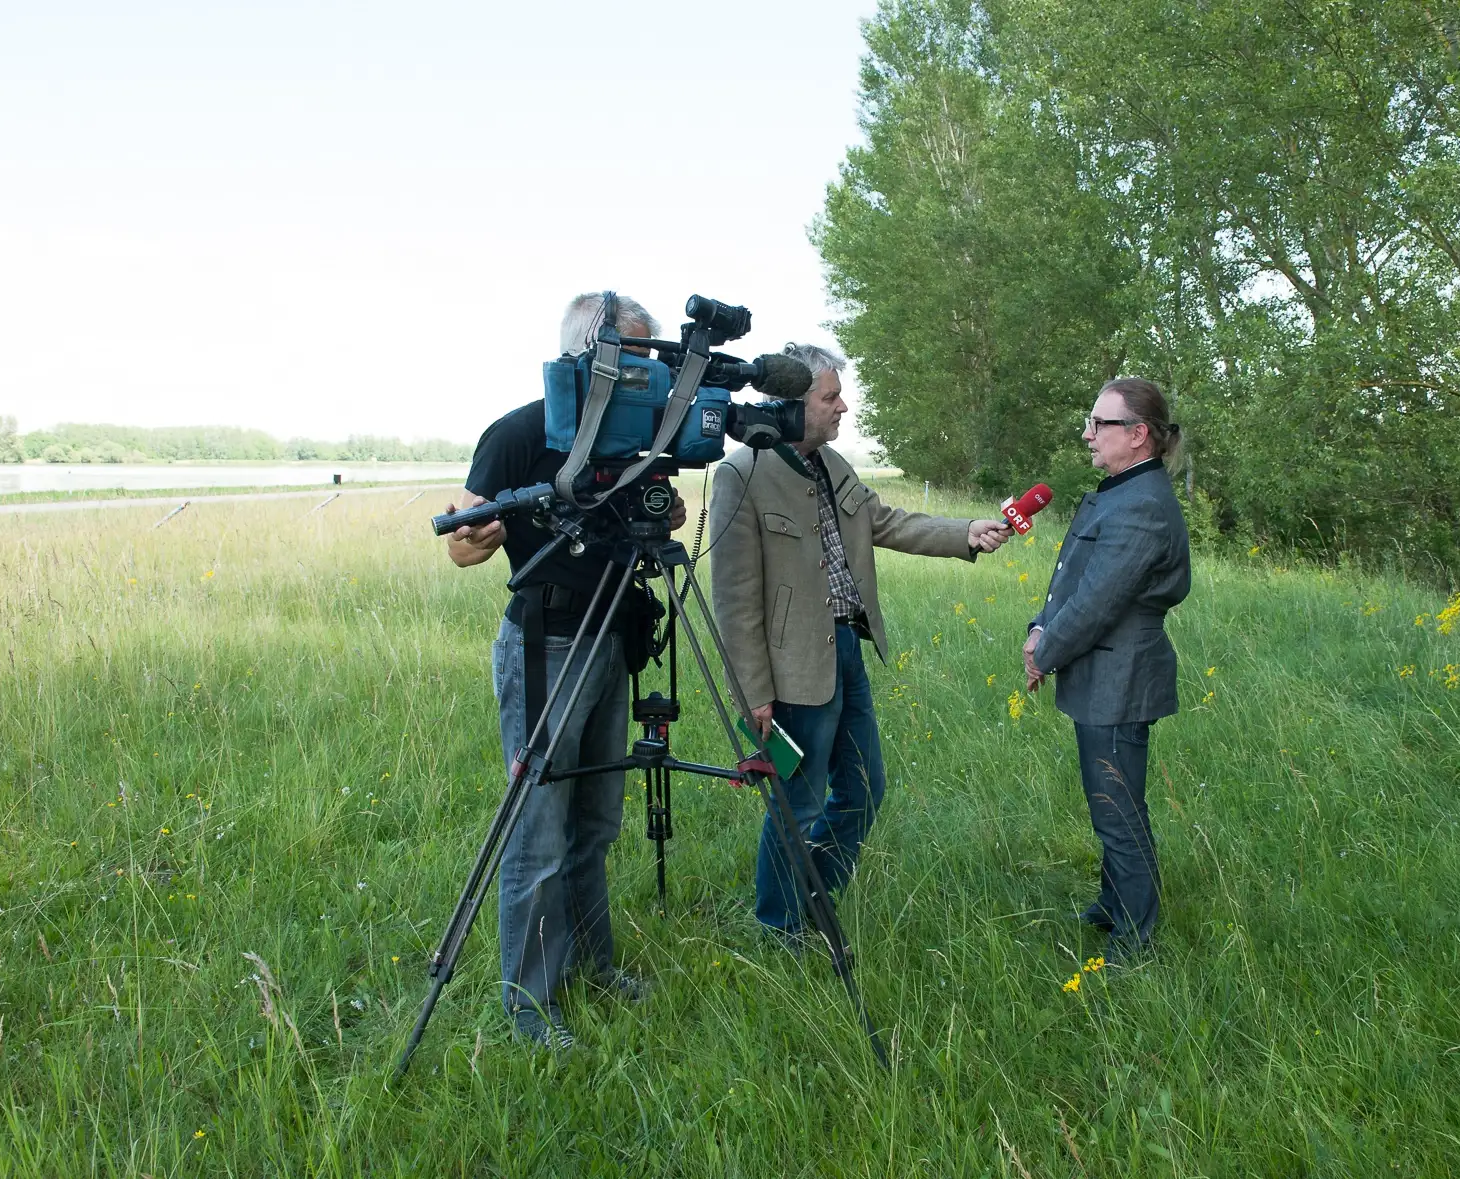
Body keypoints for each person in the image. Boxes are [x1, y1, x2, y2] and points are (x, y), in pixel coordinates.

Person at [443, 292, 686, 1050]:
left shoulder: (636, 437)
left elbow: (656, 511)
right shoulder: (518, 433)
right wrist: (478, 534)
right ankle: (527, 1008)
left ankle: (594, 966)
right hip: (544, 648)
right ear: (592, 354)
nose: (649, 378)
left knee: (594, 823)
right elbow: (460, 540)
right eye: (636, 359)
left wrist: (665, 512)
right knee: (538, 833)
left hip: (614, 639)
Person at [709, 342, 1012, 938]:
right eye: (830, 397)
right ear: (793, 407)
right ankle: (780, 926)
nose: (842, 407)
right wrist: (753, 692)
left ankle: (812, 894)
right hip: (789, 669)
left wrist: (966, 532)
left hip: (846, 652)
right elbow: (735, 597)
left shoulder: (834, 465)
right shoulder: (741, 475)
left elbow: (887, 522)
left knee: (866, 789)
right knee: (798, 805)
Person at [1023, 376, 1190, 964]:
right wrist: (1039, 626)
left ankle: (1136, 935)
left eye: (1100, 424)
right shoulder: (1122, 490)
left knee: (1118, 808)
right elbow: (1073, 579)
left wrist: (1043, 652)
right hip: (1102, 672)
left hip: (1120, 678)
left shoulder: (1142, 505)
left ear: (1138, 435)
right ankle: (1113, 902)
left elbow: (1098, 602)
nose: (1088, 434)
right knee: (1108, 800)